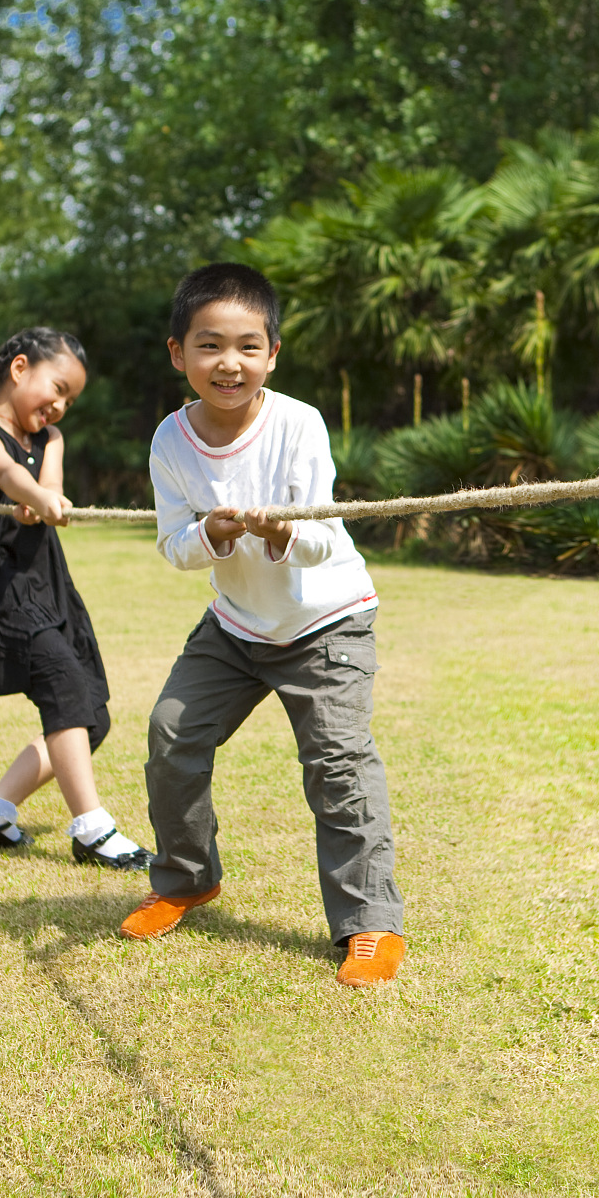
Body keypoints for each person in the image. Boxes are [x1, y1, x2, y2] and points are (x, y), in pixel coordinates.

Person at [122, 263, 406, 988]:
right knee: (172, 734)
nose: (230, 363)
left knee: (338, 765)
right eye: (210, 345)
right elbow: (173, 546)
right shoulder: (170, 440)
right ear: (177, 353)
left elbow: (323, 539)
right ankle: (186, 880)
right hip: (237, 627)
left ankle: (369, 923)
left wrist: (281, 533)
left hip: (326, 622)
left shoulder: (299, 423)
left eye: (249, 346)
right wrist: (213, 534)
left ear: (273, 354)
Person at [0, 328, 151, 871]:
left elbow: (48, 486)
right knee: (66, 691)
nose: (61, 405)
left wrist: (43, 500)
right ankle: (92, 829)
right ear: (20, 368)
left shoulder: (50, 440)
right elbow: (5, 474)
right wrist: (31, 496)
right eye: (58, 387)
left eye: (71, 399)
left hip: (44, 582)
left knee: (91, 712)